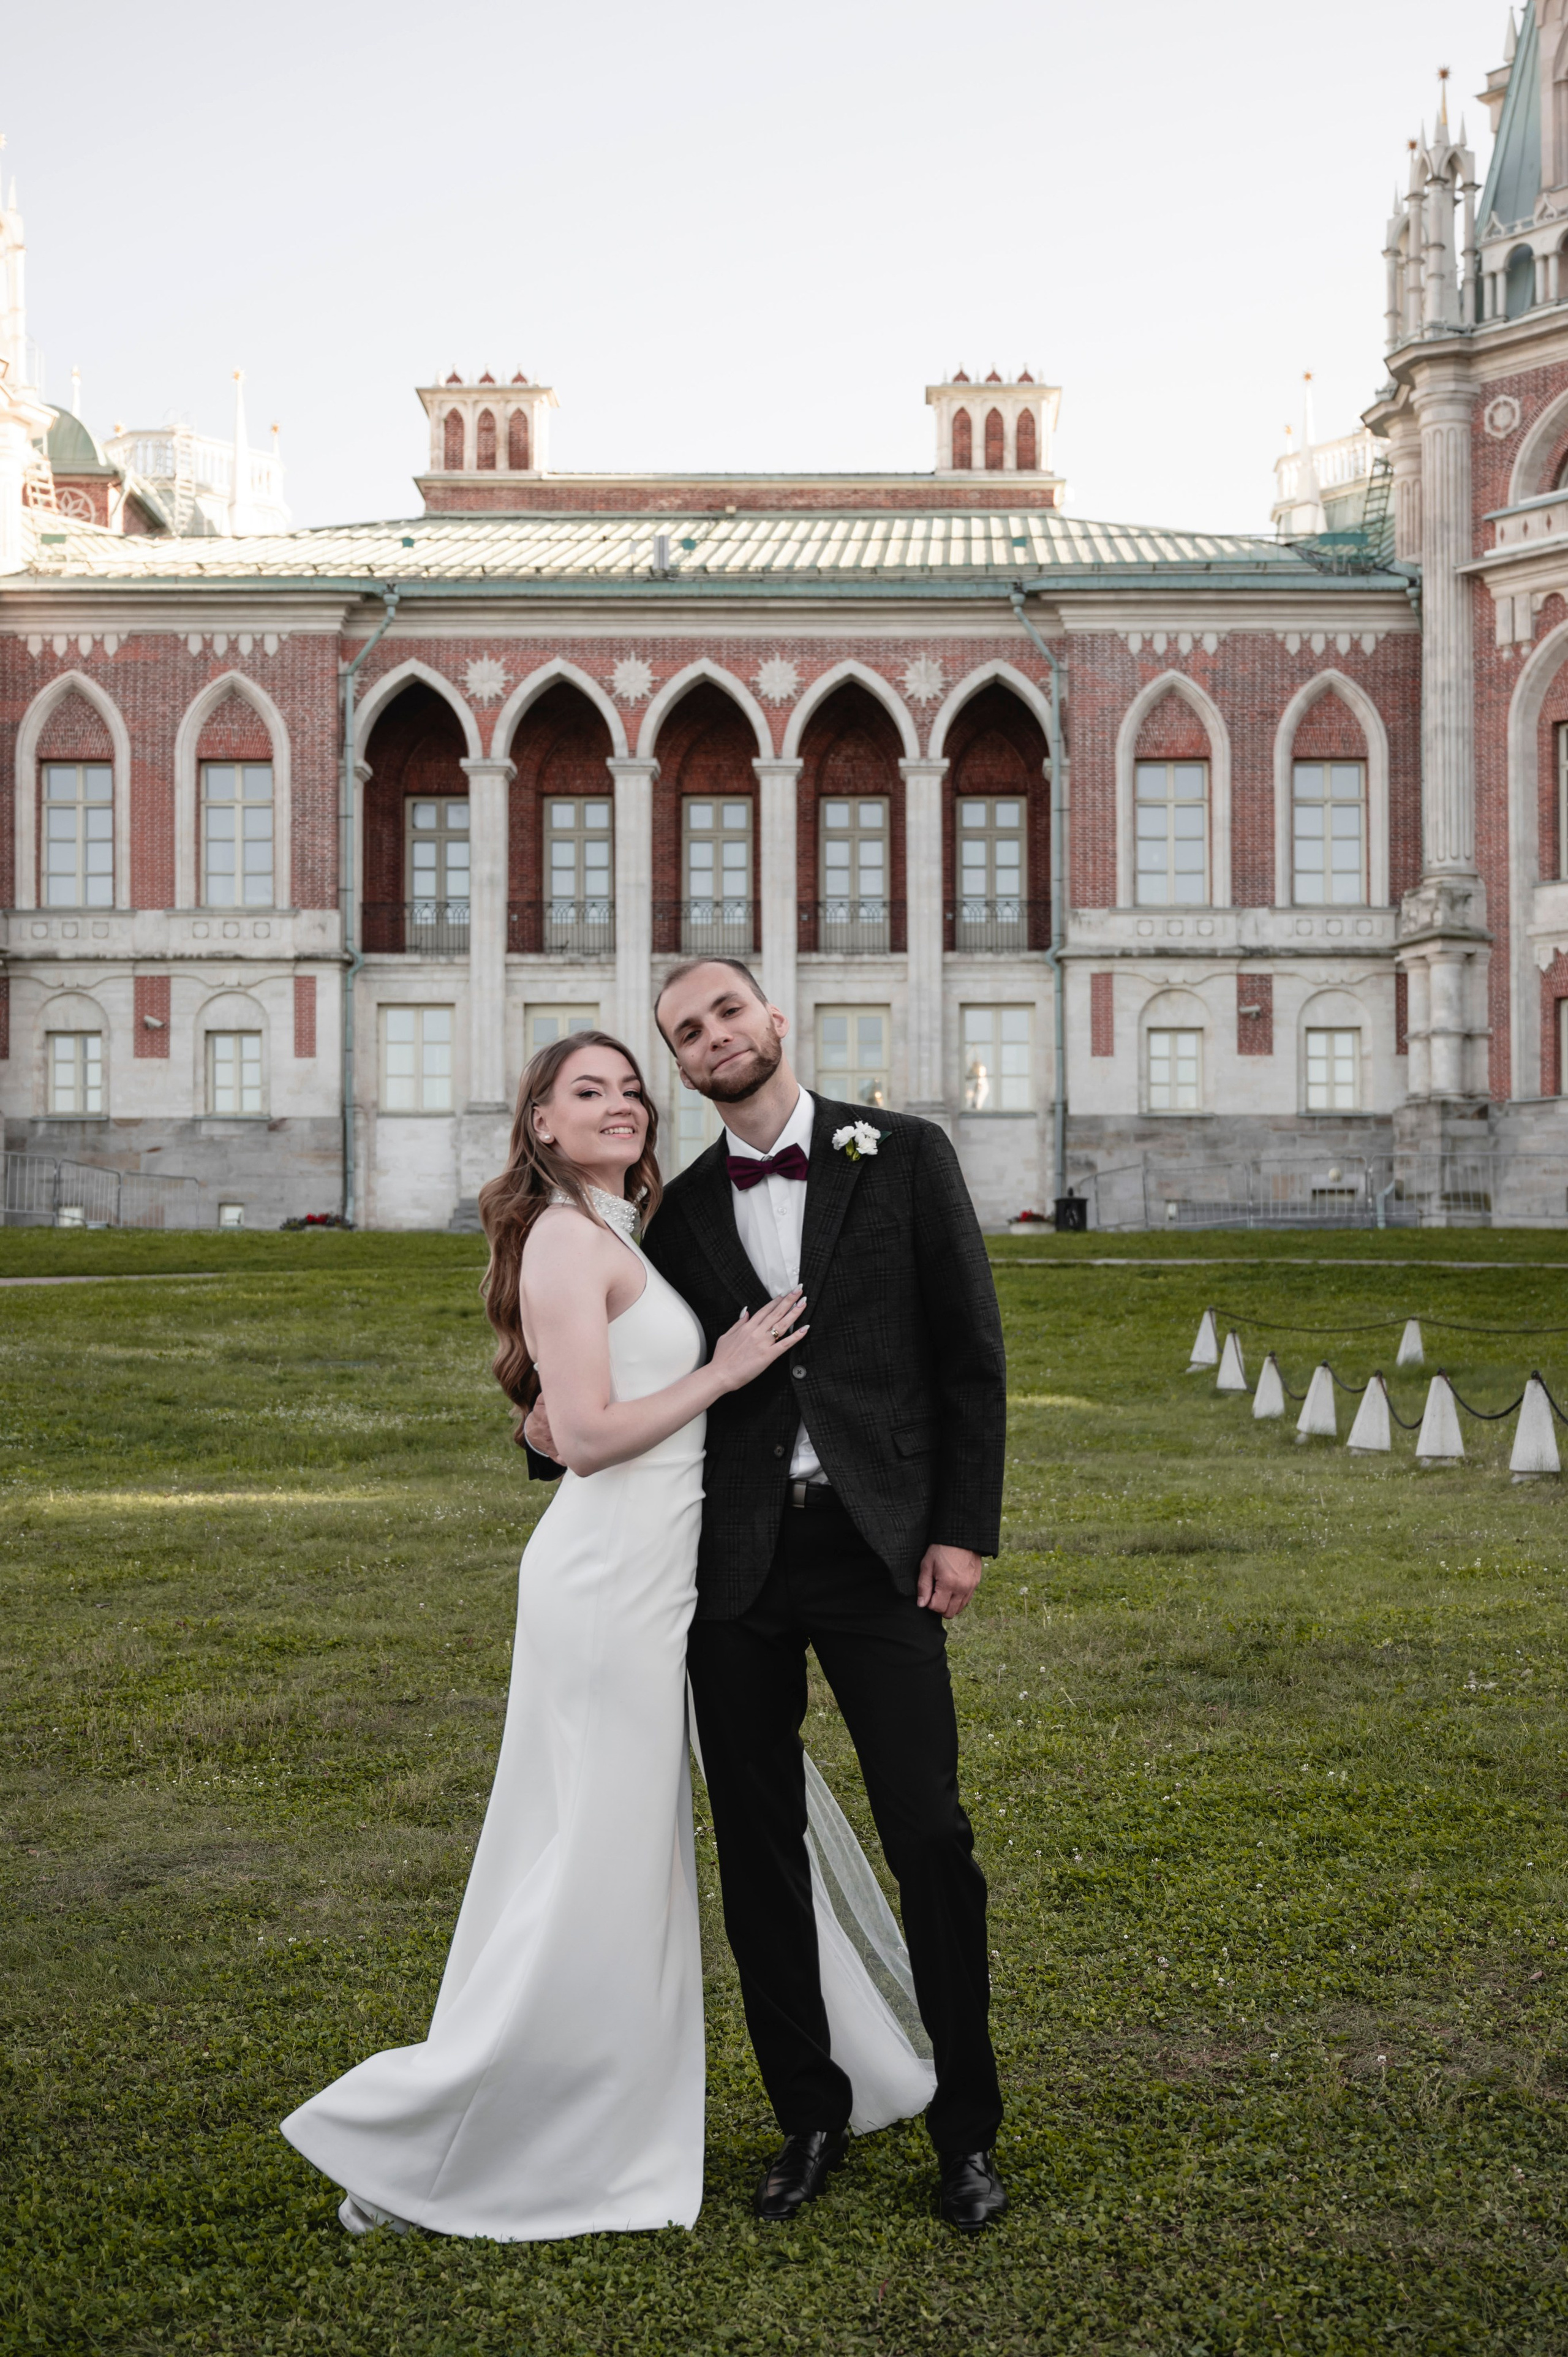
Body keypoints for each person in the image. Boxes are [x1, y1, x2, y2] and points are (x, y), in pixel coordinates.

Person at [281, 1030, 933, 2242]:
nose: (621, 1104)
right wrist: (725, 1370)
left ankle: (722, 2091)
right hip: (606, 1585)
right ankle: (446, 2135)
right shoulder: (563, 1238)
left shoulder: (617, 1231)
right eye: (589, 1091)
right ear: (540, 1122)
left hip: (664, 1575)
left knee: (617, 1851)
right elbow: (583, 1439)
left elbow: (559, 1415)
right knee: (596, 1857)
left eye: (631, 1088)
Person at [530, 960, 1008, 2231]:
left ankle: (966, 2130)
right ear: (682, 1065)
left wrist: (961, 1531)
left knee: (930, 1832)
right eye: (686, 1032)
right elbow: (603, 1360)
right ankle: (808, 2114)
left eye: (726, 1013)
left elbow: (970, 1357)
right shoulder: (677, 1211)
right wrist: (539, 1426)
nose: (712, 1039)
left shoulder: (904, 1154)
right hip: (727, 1566)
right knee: (755, 1848)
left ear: (773, 1019)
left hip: (877, 1550)